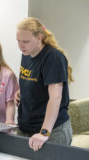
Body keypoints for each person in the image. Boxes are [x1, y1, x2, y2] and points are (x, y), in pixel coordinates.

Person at [15, 17, 73, 151]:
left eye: (25, 41)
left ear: (39, 37)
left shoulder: (53, 58)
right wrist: (21, 92)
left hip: (51, 132)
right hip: (26, 128)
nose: (21, 46)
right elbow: (34, 81)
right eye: (18, 41)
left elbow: (55, 98)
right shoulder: (26, 54)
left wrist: (44, 132)